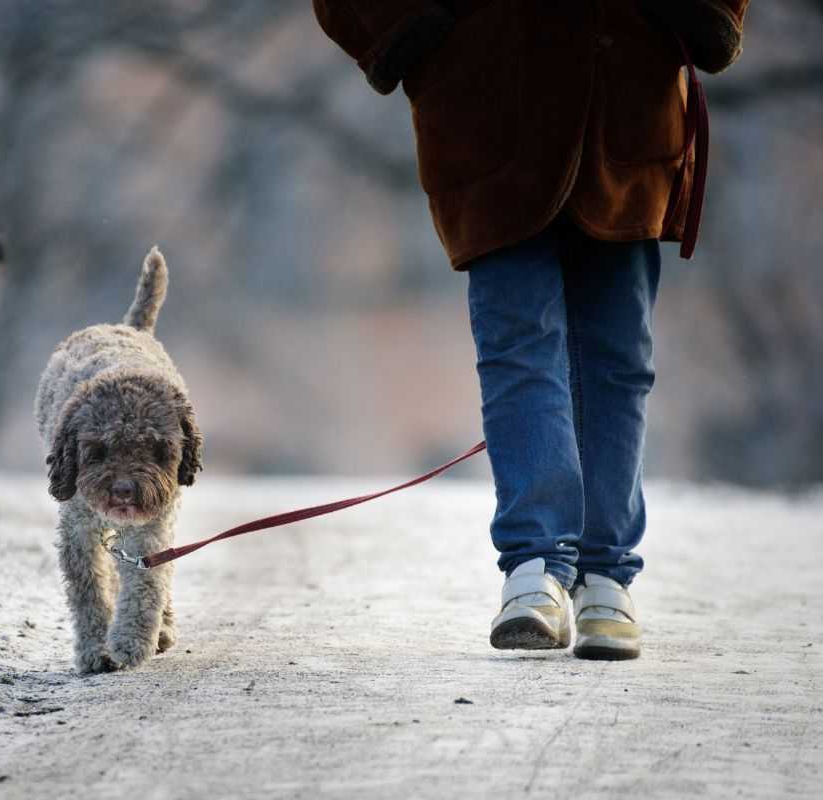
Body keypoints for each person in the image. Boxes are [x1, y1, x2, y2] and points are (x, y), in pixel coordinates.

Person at [313, 0, 747, 659]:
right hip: (486, 113)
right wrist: (416, 27)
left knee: (618, 357)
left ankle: (604, 574)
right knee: (521, 348)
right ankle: (536, 568)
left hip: (629, 103)